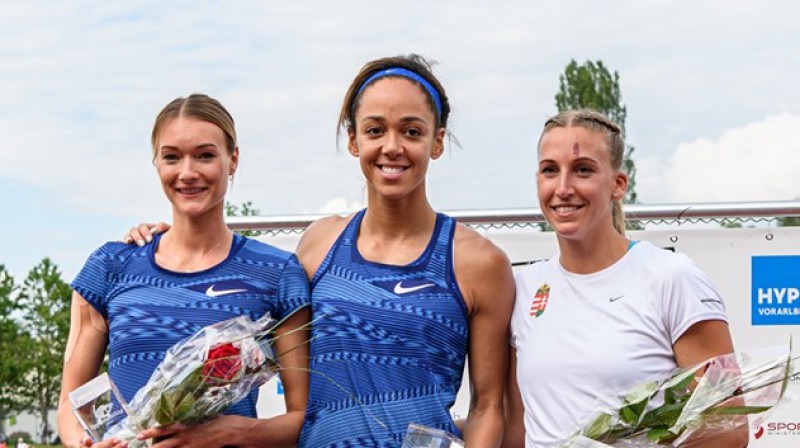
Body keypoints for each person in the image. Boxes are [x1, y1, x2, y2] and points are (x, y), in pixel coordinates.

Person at [126, 55, 516, 447]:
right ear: (353, 139)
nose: (392, 147)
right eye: (375, 130)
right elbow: (240, 309)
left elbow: (487, 407)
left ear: (437, 141)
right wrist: (168, 236)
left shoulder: (478, 262)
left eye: (412, 132)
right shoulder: (319, 245)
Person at [57, 94, 311, 448]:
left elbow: (305, 421)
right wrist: (84, 444)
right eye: (171, 157)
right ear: (156, 163)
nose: (187, 173)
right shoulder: (110, 266)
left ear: (232, 160)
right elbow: (70, 404)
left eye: (205, 155)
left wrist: (230, 433)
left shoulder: (277, 272)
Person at [501, 110, 747, 448]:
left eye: (583, 170)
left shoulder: (671, 277)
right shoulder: (525, 287)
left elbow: (729, 428)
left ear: (618, 184)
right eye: (549, 171)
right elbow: (515, 429)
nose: (563, 187)